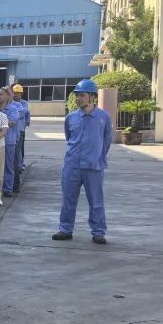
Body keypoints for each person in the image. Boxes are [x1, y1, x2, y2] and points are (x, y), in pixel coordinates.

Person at [54, 79, 113, 244]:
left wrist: (97, 156)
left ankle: (98, 232)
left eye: (82, 95)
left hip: (93, 166)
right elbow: (69, 138)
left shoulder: (103, 117)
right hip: (72, 165)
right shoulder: (71, 117)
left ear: (92, 97)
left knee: (96, 201)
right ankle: (65, 229)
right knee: (68, 199)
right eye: (77, 95)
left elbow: (107, 140)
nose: (78, 98)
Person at [0, 87, 22, 198]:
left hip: (9, 141)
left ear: (7, 96)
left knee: (8, 166)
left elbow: (12, 122)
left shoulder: (13, 108)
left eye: (1, 94)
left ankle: (8, 188)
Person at [12, 83, 31, 183]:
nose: (16, 95)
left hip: (20, 129)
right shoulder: (9, 102)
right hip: (12, 130)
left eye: (18, 93)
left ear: (21, 94)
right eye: (15, 93)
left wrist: (27, 122)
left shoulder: (23, 103)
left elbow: (25, 113)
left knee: (20, 149)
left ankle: (20, 164)